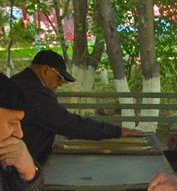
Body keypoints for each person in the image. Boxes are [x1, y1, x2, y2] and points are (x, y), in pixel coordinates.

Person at [11, 49, 142, 166]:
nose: (60, 84)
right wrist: (116, 132)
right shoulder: (34, 92)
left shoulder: (20, 82)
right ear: (45, 70)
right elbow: (69, 124)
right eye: (59, 78)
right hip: (20, 162)